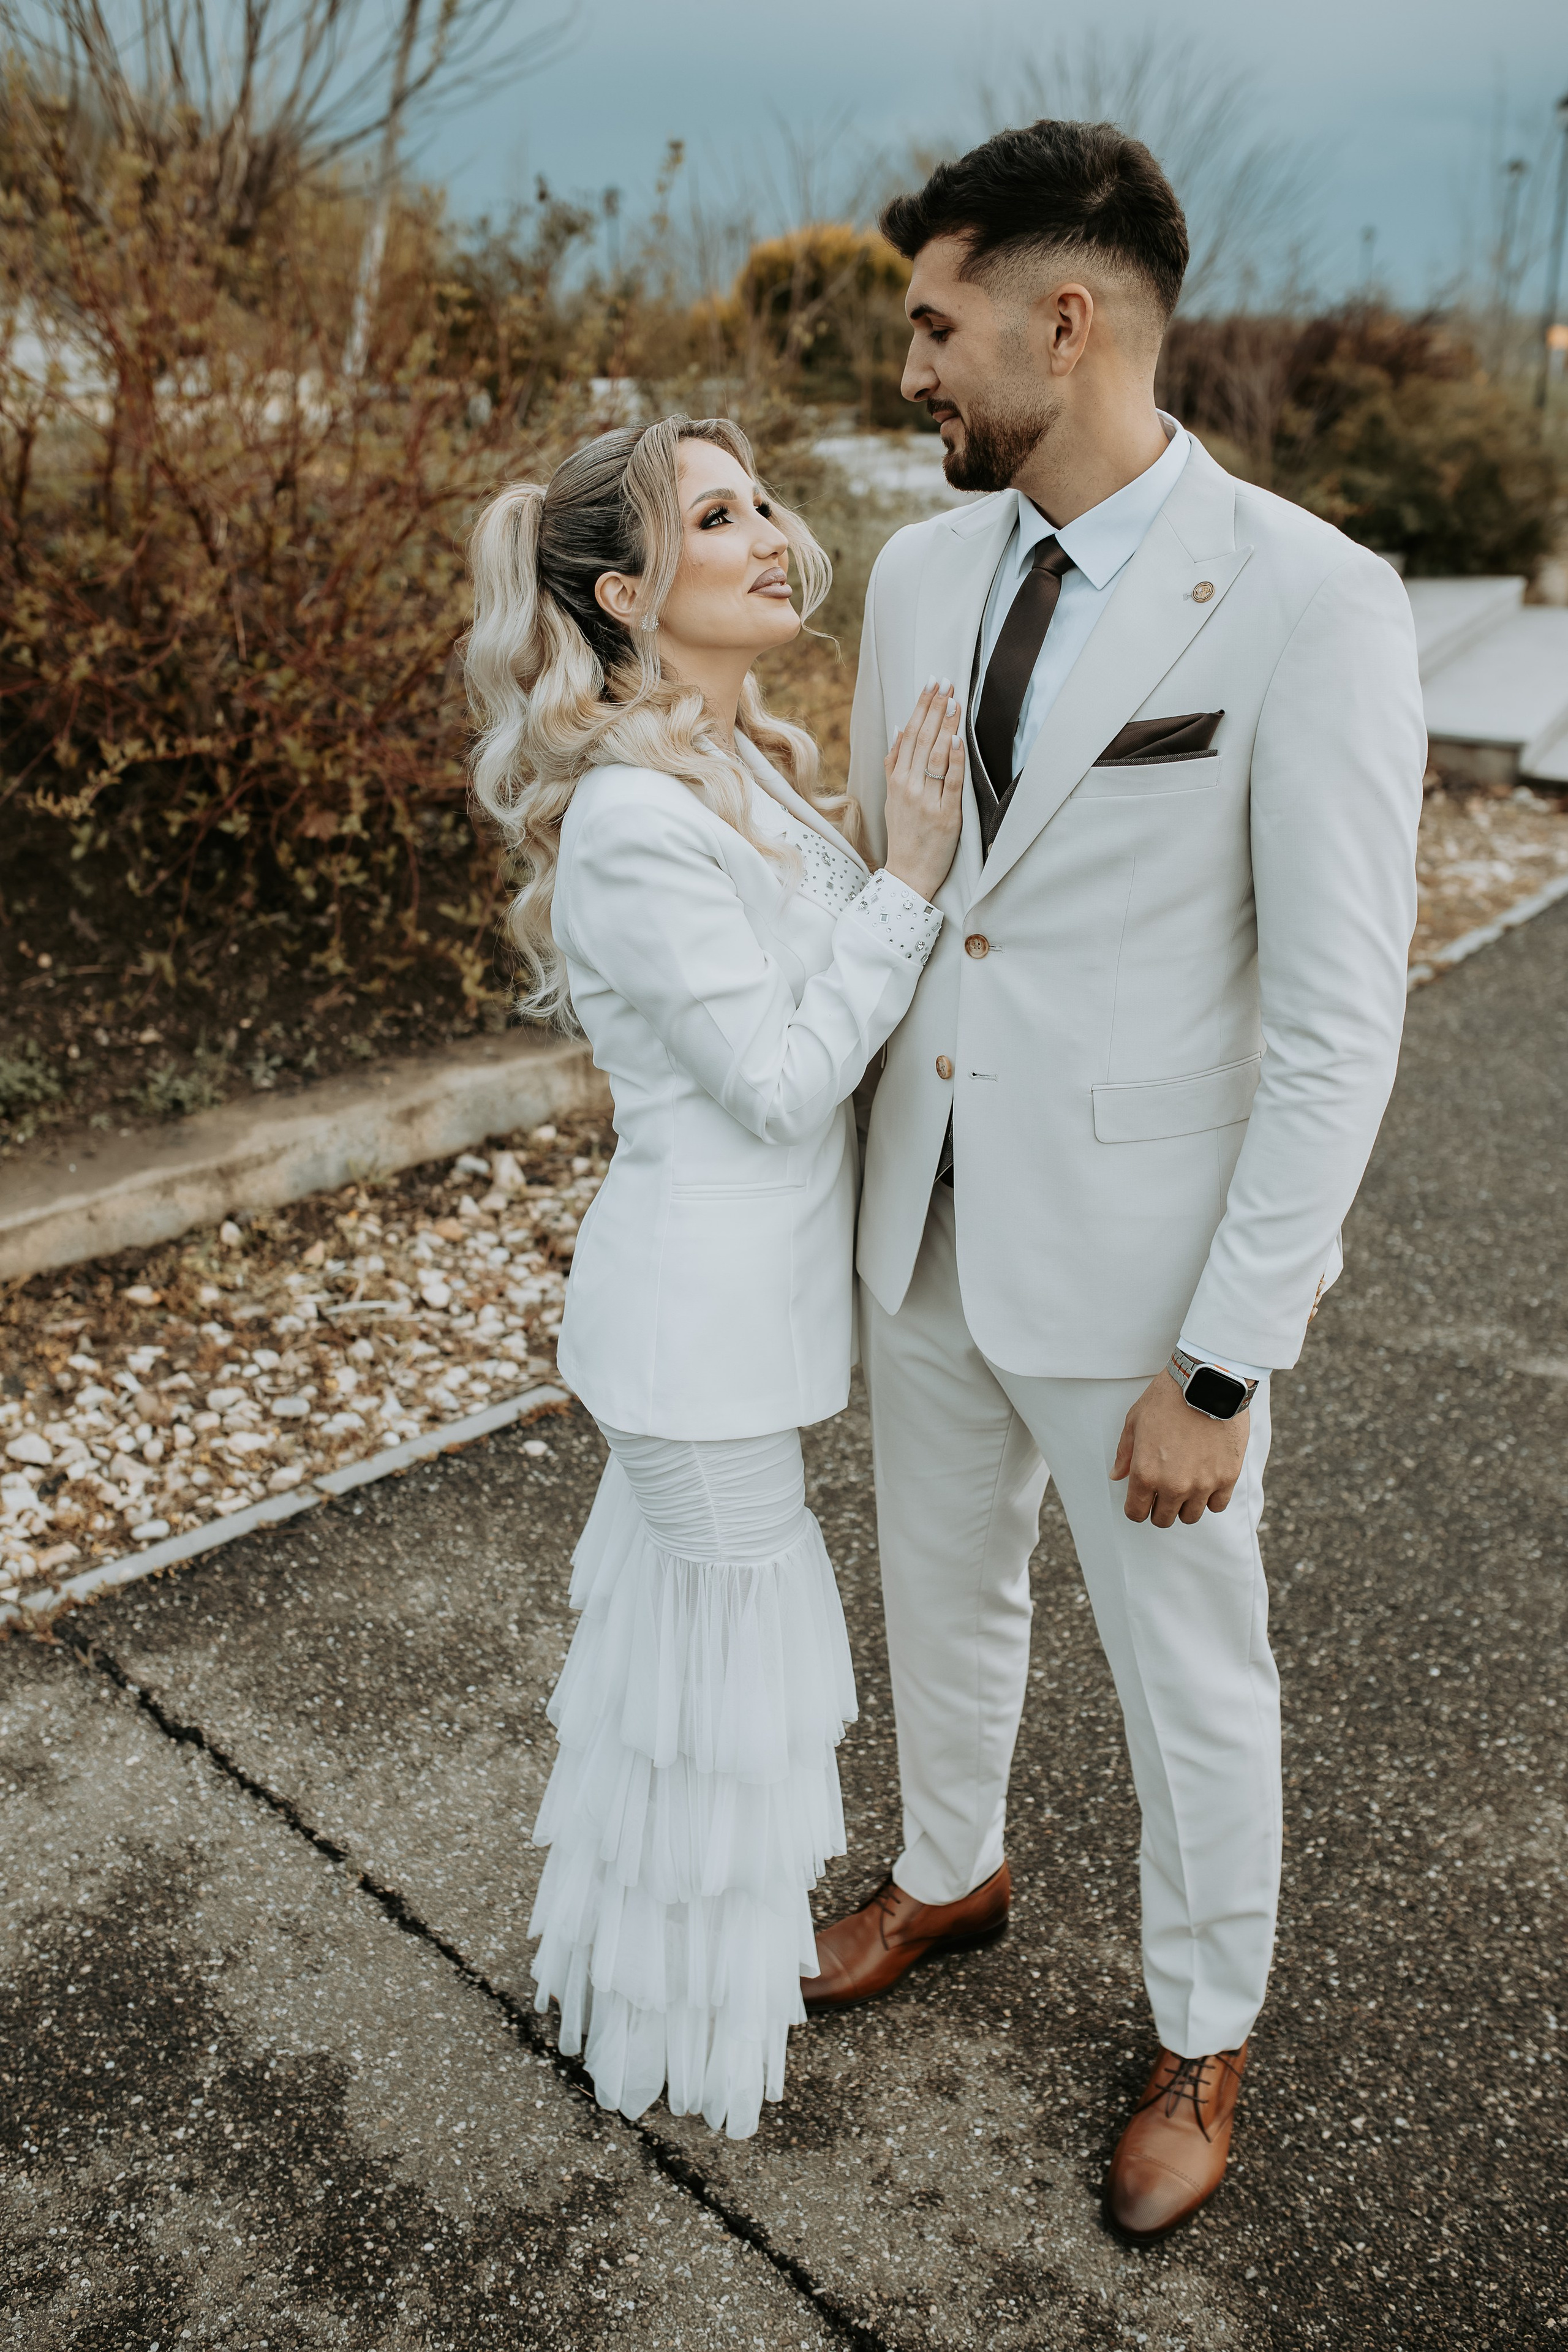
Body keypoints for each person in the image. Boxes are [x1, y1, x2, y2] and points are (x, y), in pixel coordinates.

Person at [805, 120, 1426, 2237]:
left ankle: (1201, 2024)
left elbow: (1341, 1026)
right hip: (930, 1216)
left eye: (935, 324)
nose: (911, 369)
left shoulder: (1312, 603)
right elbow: (905, 899)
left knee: (1190, 1672)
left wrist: (1228, 1364)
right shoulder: (912, 573)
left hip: (1153, 1276)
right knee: (939, 1585)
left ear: (1066, 324)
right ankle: (948, 1869)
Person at [463, 415, 965, 2139]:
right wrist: (904, 878)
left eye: (764, 500)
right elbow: (770, 1079)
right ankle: (673, 2035)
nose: (771, 534)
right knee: (717, 1702)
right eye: (719, 514)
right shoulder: (629, 820)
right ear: (626, 590)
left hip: (741, 1323)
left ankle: (646, 2008)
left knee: (688, 1691)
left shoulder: (736, 768)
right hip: (690, 1324)